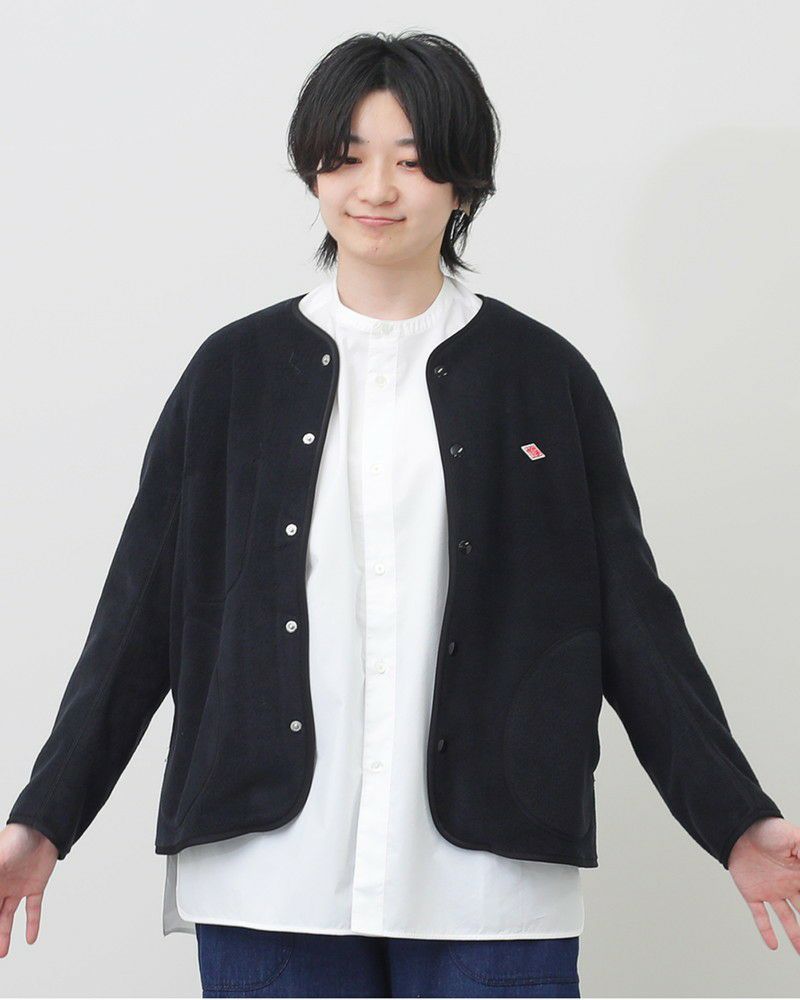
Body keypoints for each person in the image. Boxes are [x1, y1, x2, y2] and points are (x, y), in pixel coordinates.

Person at [2, 29, 799, 999]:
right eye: (346, 158)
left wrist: (734, 818)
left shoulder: (541, 378)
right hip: (272, 872)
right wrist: (43, 820)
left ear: (464, 183)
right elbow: (137, 617)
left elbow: (631, 616)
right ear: (313, 172)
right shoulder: (233, 375)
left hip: (490, 876)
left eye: (413, 162)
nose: (375, 189)